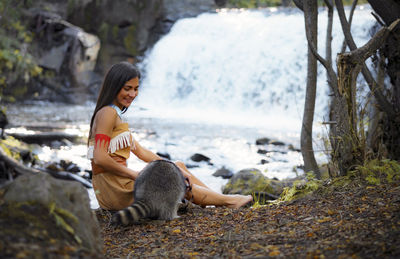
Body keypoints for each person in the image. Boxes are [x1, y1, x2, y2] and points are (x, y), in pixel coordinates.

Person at [87, 61, 252, 211]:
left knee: (177, 166)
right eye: (127, 88)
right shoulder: (107, 113)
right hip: (116, 190)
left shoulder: (112, 114)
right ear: (114, 87)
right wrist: (136, 175)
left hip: (118, 185)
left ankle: (213, 199)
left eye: (136, 89)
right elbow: (100, 158)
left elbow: (142, 152)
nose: (132, 94)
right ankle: (228, 201)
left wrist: (173, 167)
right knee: (171, 177)